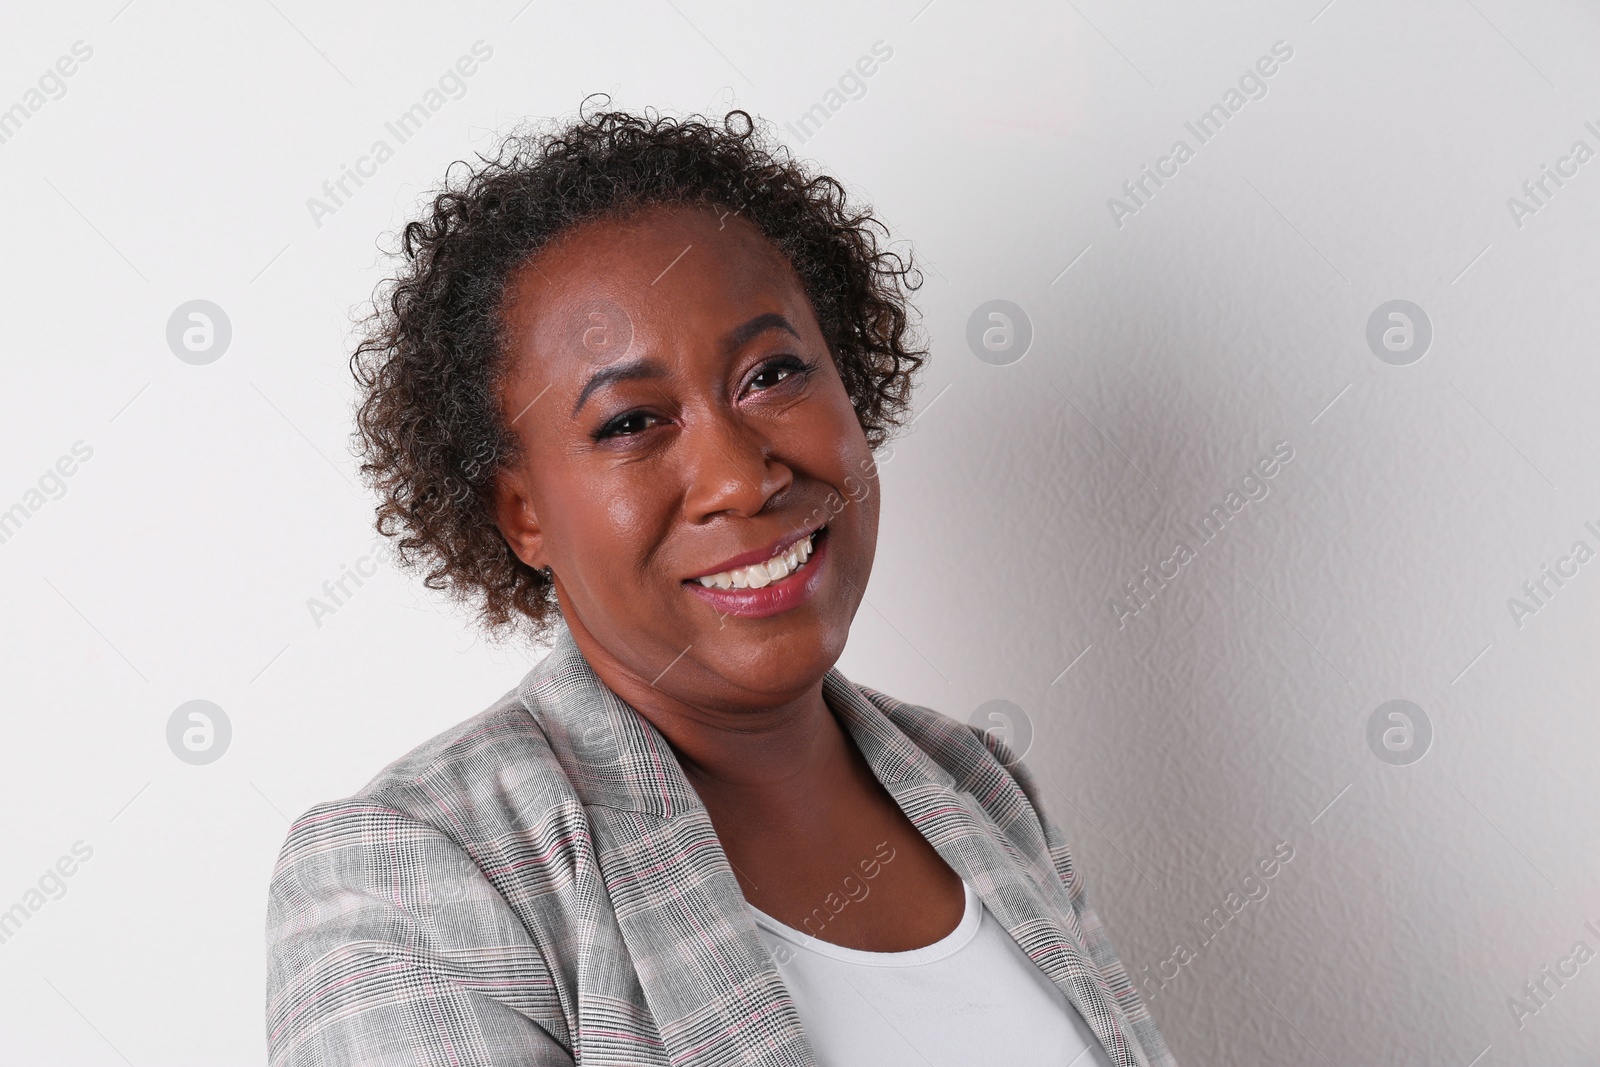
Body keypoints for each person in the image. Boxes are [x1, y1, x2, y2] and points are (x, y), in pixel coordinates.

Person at [265, 103, 1176, 1067]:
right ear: (523, 512)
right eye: (630, 423)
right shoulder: (416, 878)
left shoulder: (975, 784)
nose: (744, 476)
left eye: (773, 373)